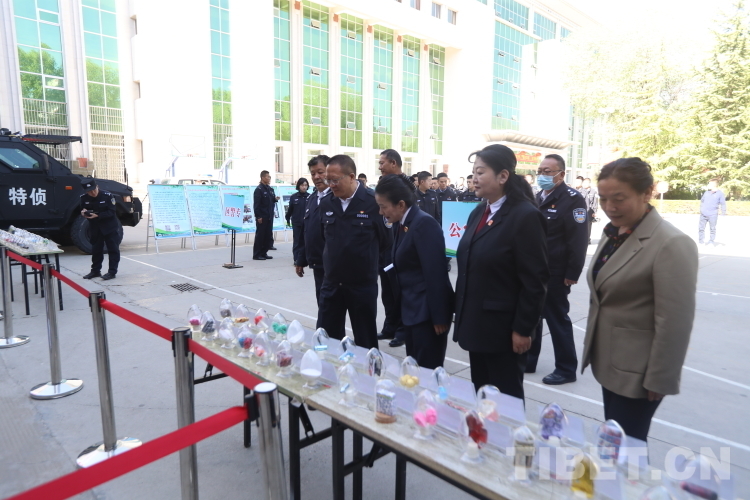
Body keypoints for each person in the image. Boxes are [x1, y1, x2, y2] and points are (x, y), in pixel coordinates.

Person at [583, 157, 698, 442]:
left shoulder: (671, 243)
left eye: (619, 198)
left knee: (626, 446)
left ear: (647, 193)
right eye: (603, 198)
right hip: (611, 362)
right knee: (615, 442)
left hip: (639, 371)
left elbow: (675, 321)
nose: (609, 207)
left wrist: (660, 377)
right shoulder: (615, 232)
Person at [453, 144, 548, 399]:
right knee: (482, 397)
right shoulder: (479, 212)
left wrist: (523, 329)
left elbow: (535, 281)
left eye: (481, 172)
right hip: (476, 325)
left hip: (503, 332)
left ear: (503, 176)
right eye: (473, 172)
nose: (474, 178)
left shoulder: (525, 216)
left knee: (506, 402)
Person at [376, 175, 455, 369]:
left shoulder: (424, 224)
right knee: (414, 371)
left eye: (383, 206)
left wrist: (439, 317)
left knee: (427, 372)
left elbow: (436, 274)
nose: (380, 212)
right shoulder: (402, 223)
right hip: (411, 312)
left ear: (401, 204)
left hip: (427, 316)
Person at [525, 154, 588, 385]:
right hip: (535, 269)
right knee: (533, 316)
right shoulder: (537, 196)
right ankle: (529, 360)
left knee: (557, 319)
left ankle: (566, 368)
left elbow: (578, 239)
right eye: (540, 171)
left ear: (561, 175)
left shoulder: (572, 199)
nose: (542, 175)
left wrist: (572, 272)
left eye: (547, 172)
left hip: (556, 271)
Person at [317, 155, 387, 349]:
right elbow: (324, 239)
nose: (331, 185)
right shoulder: (327, 203)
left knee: (365, 341)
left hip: (361, 286)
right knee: (325, 340)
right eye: (328, 180)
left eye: (335, 180)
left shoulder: (373, 202)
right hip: (332, 284)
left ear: (351, 177)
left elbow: (385, 241)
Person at [374, 149, 408, 347]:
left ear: (393, 163)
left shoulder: (406, 185)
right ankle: (390, 326)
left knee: (399, 291)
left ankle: (402, 331)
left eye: (382, 163)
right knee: (387, 291)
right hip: (385, 246)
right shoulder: (384, 184)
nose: (380, 167)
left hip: (399, 245)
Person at [295, 156, 330, 308]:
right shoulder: (312, 198)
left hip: (334, 267)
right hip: (318, 264)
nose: (316, 177)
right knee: (322, 304)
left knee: (332, 308)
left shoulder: (337, 198)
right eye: (313, 173)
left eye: (320, 172)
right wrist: (301, 260)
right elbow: (306, 231)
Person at [80, 178, 121, 280]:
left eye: (94, 190)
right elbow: (83, 209)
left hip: (109, 227)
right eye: (89, 191)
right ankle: (95, 271)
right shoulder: (84, 198)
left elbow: (111, 212)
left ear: (97, 186)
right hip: (95, 228)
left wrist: (98, 215)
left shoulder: (107, 196)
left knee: (113, 250)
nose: (92, 193)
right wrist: (83, 213)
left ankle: (112, 272)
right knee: (96, 250)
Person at [253, 170, 279, 261]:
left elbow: (271, 200)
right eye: (268, 177)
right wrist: (258, 216)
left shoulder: (270, 189)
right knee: (260, 236)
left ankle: (264, 253)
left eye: (269, 177)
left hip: (269, 216)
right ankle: (257, 254)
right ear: (263, 178)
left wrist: (275, 199)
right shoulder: (259, 190)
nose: (269, 178)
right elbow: (257, 205)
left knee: (267, 236)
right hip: (262, 216)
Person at [286, 177, 310, 266]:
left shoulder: (310, 197)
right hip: (297, 223)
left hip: (307, 223)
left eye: (305, 185)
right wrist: (287, 218)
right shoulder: (294, 197)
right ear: (298, 186)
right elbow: (290, 210)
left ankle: (306, 258)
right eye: (302, 185)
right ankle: (296, 259)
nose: (304, 187)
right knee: (297, 242)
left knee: (306, 241)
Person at [699, 178, 727, 246]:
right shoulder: (706, 193)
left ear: (714, 185)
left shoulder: (720, 194)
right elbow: (702, 201)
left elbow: (723, 203)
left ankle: (711, 241)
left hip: (713, 214)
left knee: (712, 229)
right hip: (703, 214)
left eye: (709, 184)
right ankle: (701, 241)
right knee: (701, 228)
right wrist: (702, 209)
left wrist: (723, 212)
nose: (708, 185)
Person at [579, 177, 598, 243]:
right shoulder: (580, 191)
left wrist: (594, 211)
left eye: (587, 183)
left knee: (588, 226)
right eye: (584, 183)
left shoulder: (593, 191)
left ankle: (587, 239)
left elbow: (595, 202)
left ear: (589, 183)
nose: (585, 184)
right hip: (581, 211)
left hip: (590, 211)